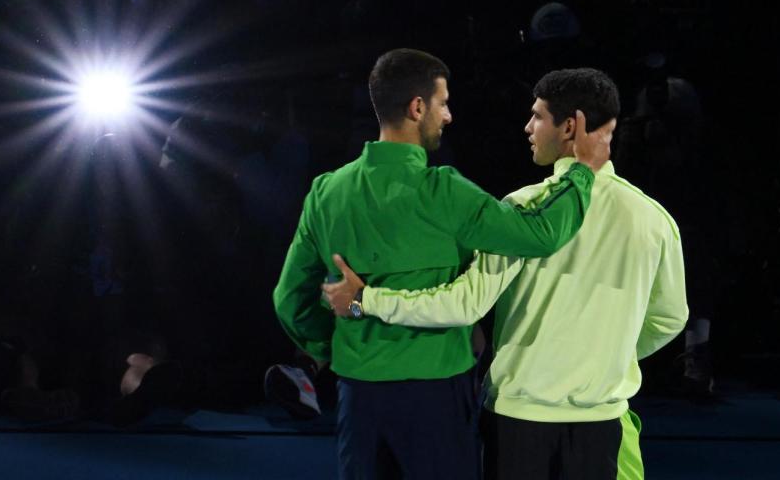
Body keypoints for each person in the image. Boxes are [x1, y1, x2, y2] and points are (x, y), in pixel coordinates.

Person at [323, 68, 687, 480]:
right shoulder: (654, 220)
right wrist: (605, 357)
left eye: (537, 116)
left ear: (570, 127)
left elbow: (464, 304)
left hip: (518, 424)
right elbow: (670, 318)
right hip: (601, 423)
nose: (528, 127)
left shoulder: (521, 210)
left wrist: (366, 299)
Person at [273, 49, 614, 479]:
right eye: (443, 104)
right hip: (436, 397)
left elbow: (290, 299)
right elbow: (540, 235)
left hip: (358, 395)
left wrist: (338, 346)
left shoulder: (326, 192)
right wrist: (582, 171)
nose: (448, 116)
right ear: (418, 108)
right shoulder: (445, 191)